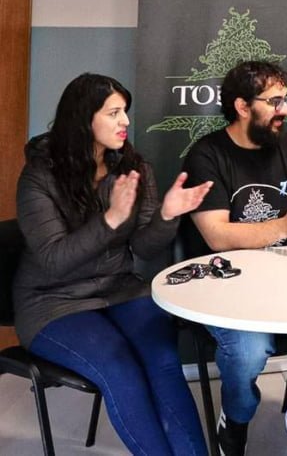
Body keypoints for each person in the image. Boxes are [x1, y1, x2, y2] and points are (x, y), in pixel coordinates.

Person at [14, 73, 211, 456]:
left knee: (164, 364)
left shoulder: (133, 167)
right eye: (113, 113)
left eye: (125, 111)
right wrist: (110, 220)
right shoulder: (39, 176)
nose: (125, 121)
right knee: (122, 371)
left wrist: (167, 216)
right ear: (83, 119)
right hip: (53, 302)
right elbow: (54, 260)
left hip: (119, 290)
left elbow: (144, 248)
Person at [182, 60, 287, 456]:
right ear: (242, 106)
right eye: (274, 101)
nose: (285, 110)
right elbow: (217, 236)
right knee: (249, 352)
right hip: (226, 284)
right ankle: (236, 417)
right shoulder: (206, 155)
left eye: (286, 99)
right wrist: (284, 226)